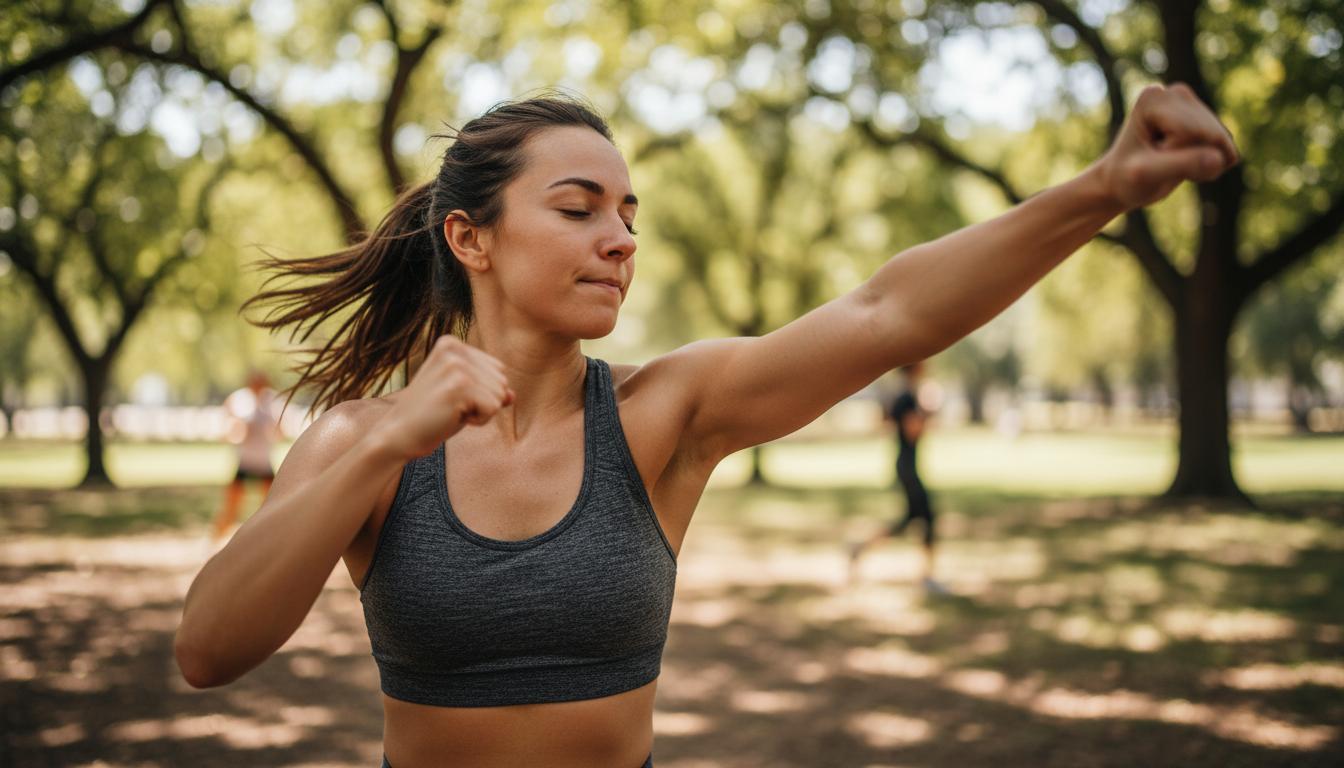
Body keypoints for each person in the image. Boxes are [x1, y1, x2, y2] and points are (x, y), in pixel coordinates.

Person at [173, 87, 1238, 767]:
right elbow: (208, 650)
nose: (620, 239)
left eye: (628, 215)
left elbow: (887, 313)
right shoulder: (363, 445)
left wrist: (1104, 187)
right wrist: (385, 440)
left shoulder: (661, 416)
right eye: (580, 208)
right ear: (470, 237)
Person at [848, 361, 944, 592]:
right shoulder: (907, 397)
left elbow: (887, 421)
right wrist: (930, 411)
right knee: (927, 517)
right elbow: (912, 431)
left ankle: (859, 549)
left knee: (911, 519)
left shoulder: (903, 395)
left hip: (906, 465)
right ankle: (927, 577)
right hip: (907, 466)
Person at [209, 369, 283, 543]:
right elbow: (224, 431)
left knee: (271, 506)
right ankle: (215, 539)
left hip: (264, 461)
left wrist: (270, 433)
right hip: (245, 461)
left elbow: (281, 432)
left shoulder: (273, 401)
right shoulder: (238, 400)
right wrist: (237, 433)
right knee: (232, 505)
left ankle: (270, 539)